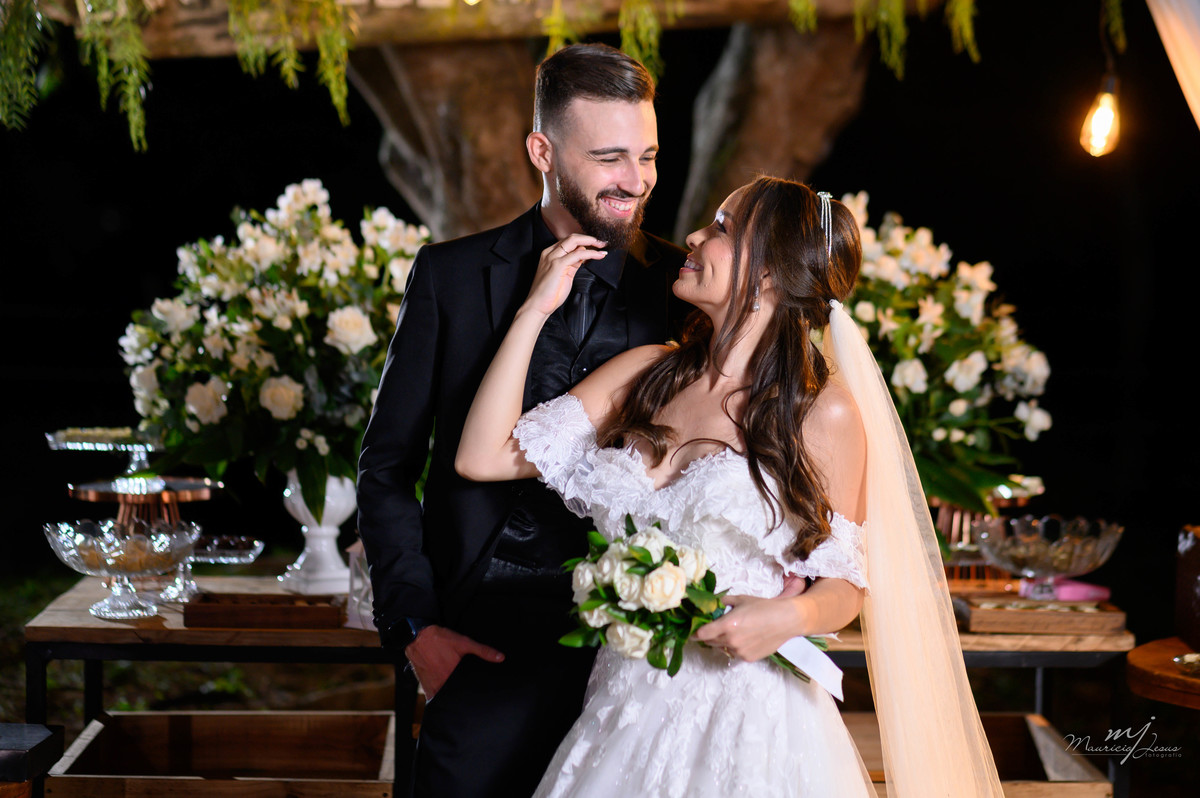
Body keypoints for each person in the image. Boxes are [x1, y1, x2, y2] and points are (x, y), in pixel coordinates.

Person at [456, 176, 1005, 797]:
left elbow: (845, 583)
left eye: (722, 228)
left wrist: (789, 615)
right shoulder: (644, 373)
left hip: (747, 717)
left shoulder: (821, 413)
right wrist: (534, 309)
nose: (693, 236)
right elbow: (482, 457)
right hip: (622, 708)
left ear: (768, 272)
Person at [356, 43, 688, 798]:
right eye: (608, 157)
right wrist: (415, 630)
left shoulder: (684, 287)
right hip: (479, 640)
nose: (636, 180)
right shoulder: (449, 275)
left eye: (647, 155)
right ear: (542, 152)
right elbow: (386, 467)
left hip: (636, 651)